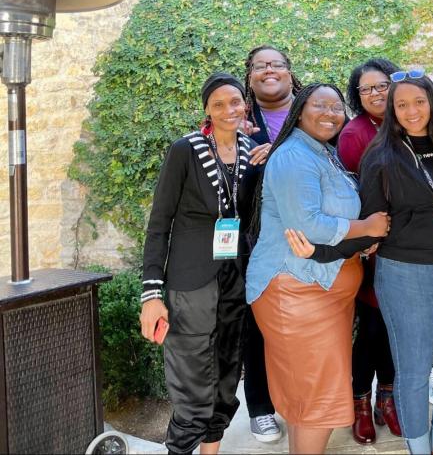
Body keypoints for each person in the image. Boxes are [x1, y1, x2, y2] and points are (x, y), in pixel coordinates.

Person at [245, 83, 390, 454]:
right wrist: (368, 228)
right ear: (299, 110)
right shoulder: (295, 156)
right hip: (297, 292)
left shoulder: (322, 153)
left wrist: (358, 240)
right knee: (316, 399)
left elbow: (333, 219)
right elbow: (309, 225)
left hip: (320, 295)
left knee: (306, 397)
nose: (329, 113)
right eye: (319, 105)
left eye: (336, 107)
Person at [140, 72, 264, 455]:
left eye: (235, 102)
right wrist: (151, 294)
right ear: (207, 110)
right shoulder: (186, 149)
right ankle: (179, 450)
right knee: (190, 381)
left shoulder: (251, 150)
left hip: (234, 278)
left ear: (245, 104)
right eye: (219, 104)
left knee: (227, 373)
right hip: (190, 281)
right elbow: (159, 223)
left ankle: (212, 451)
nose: (229, 109)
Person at [359, 70, 433, 455]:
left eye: (419, 102)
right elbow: (372, 220)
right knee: (411, 374)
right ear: (392, 110)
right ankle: (418, 449)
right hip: (405, 274)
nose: (411, 111)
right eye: (401, 104)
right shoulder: (381, 156)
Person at [240, 45, 304, 443]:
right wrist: (246, 163)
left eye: (276, 64)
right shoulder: (237, 116)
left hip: (307, 231)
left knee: (309, 320)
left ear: (289, 72)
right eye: (260, 66)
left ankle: (305, 398)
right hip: (257, 233)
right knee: (257, 323)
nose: (268, 70)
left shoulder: (314, 107)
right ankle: (261, 408)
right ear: (249, 75)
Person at [339, 58, 401, 444]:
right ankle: (360, 401)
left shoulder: (408, 122)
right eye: (367, 89)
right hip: (373, 247)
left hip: (409, 245)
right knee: (372, 328)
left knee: (397, 329)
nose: (376, 94)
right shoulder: (354, 134)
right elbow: (351, 197)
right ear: (357, 96)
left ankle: (388, 399)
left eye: (382, 86)